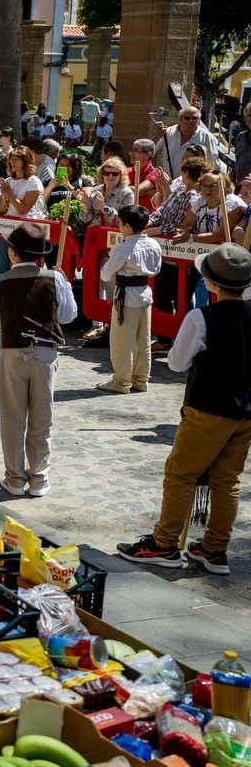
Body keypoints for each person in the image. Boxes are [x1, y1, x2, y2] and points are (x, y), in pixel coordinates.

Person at [117, 244, 251, 575]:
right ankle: (214, 548)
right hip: (245, 410)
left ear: (213, 283)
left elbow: (176, 363)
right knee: (228, 479)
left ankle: (164, 544)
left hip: (209, 406)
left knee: (181, 473)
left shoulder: (202, 316)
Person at [0, 222, 79, 497]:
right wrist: (65, 285)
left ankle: (14, 478)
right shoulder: (55, 279)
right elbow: (68, 316)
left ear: (13, 254)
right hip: (45, 352)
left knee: (12, 417)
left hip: (12, 351)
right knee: (42, 417)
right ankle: (38, 478)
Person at [96, 205, 162, 394]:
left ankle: (122, 380)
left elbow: (106, 275)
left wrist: (113, 258)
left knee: (122, 340)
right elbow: (156, 269)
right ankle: (141, 379)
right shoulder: (154, 245)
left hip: (127, 295)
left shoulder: (123, 247)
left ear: (126, 226)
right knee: (143, 339)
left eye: (120, 223)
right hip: (144, 292)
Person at [153, 106, 221, 179]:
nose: (191, 121)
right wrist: (157, 137)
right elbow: (150, 151)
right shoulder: (167, 132)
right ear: (180, 119)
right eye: (187, 118)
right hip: (169, 184)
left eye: (195, 118)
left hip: (194, 186)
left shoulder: (207, 137)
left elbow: (215, 164)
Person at [78, 157, 135, 228]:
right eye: (107, 173)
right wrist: (86, 205)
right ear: (102, 174)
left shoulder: (127, 193)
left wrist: (104, 208)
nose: (110, 176)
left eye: (115, 174)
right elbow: (85, 220)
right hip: (94, 233)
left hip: (113, 235)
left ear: (121, 175)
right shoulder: (96, 190)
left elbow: (126, 221)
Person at [0, 146, 48, 219]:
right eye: (11, 159)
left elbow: (23, 209)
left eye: (17, 159)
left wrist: (9, 193)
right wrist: (5, 195)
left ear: (26, 162)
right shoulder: (8, 181)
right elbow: (1, 210)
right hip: (8, 225)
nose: (12, 162)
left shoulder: (33, 182)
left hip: (26, 226)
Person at [128, 139, 158, 211]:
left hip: (144, 216)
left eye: (136, 151)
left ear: (148, 154)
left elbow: (137, 191)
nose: (131, 154)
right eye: (132, 150)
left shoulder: (154, 173)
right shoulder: (126, 170)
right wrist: (147, 191)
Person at [231, 102, 251, 184]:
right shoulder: (241, 137)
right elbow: (238, 160)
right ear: (246, 119)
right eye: (250, 116)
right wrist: (231, 179)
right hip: (239, 188)